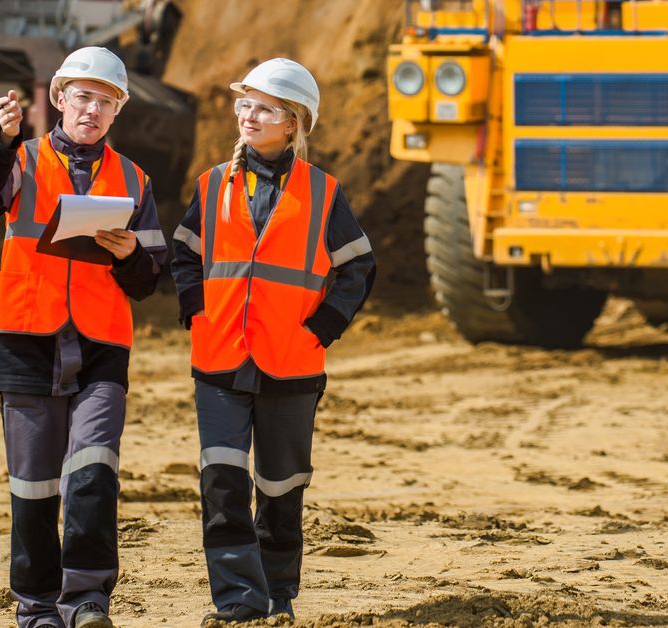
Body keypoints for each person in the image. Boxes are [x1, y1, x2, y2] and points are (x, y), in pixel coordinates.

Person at [0, 46, 166, 628]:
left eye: (106, 101)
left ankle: (86, 600)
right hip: (28, 338)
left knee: (94, 473)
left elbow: (149, 279)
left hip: (102, 346)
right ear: (59, 99)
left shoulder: (134, 179)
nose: (93, 110)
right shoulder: (21, 159)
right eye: (83, 97)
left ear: (118, 111)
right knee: (33, 487)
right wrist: (2, 140)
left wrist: (129, 255)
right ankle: (36, 609)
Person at [170, 58, 375, 624]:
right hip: (219, 357)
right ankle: (239, 600)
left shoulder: (324, 192)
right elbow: (184, 251)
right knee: (222, 482)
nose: (249, 115)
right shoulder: (212, 184)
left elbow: (358, 266)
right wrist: (196, 309)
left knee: (282, 488)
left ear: (294, 123)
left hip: (292, 361)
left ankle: (278, 594)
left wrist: (322, 328)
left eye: (264, 108)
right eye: (245, 104)